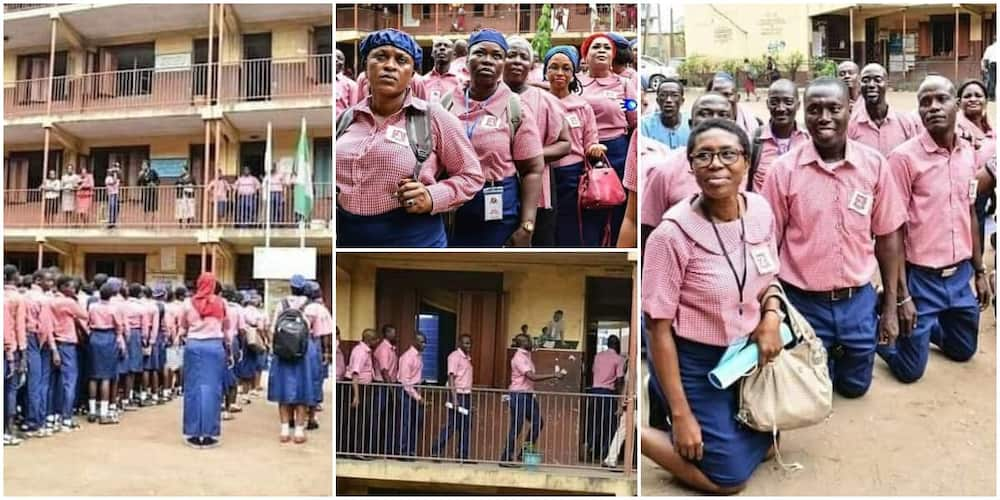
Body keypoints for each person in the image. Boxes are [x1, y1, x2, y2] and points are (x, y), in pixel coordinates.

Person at [642, 118, 786, 493]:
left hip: (743, 357)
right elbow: (657, 329)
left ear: (747, 163)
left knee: (770, 445)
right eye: (703, 156)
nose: (716, 164)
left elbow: (768, 278)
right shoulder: (671, 235)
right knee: (728, 479)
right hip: (693, 362)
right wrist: (682, 413)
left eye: (728, 154)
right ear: (690, 166)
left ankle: (717, 433)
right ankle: (635, 431)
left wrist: (770, 317)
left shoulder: (759, 211)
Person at [762, 77, 906, 398]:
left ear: (850, 110)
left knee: (855, 388)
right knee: (813, 391)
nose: (824, 117)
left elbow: (887, 237)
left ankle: (850, 354)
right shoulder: (783, 171)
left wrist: (893, 306)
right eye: (814, 109)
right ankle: (822, 360)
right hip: (803, 302)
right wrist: (772, 309)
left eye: (833, 108)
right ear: (805, 115)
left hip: (857, 300)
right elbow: (768, 244)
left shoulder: (874, 166)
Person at [878, 75, 992, 383]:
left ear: (956, 104)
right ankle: (874, 325)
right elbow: (893, 231)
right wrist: (901, 297)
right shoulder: (903, 158)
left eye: (941, 99)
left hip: (959, 278)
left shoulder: (967, 153)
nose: (933, 107)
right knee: (909, 371)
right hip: (921, 280)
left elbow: (970, 212)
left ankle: (926, 329)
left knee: (963, 350)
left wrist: (979, 271)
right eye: (925, 102)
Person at [336, 29, 484, 248]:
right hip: (350, 244)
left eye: (401, 60)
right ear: (365, 67)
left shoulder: (432, 117)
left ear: (412, 74)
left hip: (413, 241)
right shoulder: (346, 119)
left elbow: (471, 176)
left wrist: (432, 196)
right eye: (380, 57)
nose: (390, 66)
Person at [446, 29, 545, 248]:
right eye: (480, 53)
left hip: (498, 208)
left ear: (502, 63)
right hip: (450, 209)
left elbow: (532, 169)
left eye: (497, 56)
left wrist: (527, 226)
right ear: (466, 59)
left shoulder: (515, 107)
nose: (488, 61)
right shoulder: (446, 104)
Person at [640, 92, 734, 247]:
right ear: (691, 124)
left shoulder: (744, 170)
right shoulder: (664, 171)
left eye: (723, 115)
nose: (715, 121)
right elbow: (648, 232)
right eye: (705, 114)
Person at [504, 36, 571, 247]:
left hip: (540, 189)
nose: (516, 61)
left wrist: (530, 155)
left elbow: (565, 143)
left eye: (523, 57)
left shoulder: (547, 100)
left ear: (531, 65)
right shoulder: (488, 94)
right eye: (510, 55)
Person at [543, 45, 606, 247]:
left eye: (566, 68)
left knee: (570, 228)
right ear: (546, 71)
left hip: (574, 177)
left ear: (574, 73)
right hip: (543, 174)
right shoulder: (537, 103)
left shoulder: (582, 106)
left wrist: (595, 148)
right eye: (554, 67)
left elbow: (591, 139)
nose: (560, 73)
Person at [578, 32, 637, 244]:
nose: (601, 51)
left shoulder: (624, 85)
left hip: (618, 152)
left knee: (617, 203)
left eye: (606, 48)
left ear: (613, 56)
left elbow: (634, 117)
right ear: (585, 56)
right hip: (583, 153)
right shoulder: (576, 84)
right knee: (589, 203)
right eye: (596, 47)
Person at [180, 272, 232, 449]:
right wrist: (229, 348)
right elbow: (227, 329)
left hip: (193, 346)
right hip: (214, 347)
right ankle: (209, 434)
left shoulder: (188, 303)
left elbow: (183, 327)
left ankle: (193, 433)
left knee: (193, 389)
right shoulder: (221, 303)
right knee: (212, 390)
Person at [499, 333, 565, 466]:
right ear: (522, 344)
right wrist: (554, 375)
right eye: (528, 340)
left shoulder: (527, 355)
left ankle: (524, 451)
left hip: (528, 394)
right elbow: (531, 377)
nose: (531, 342)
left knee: (537, 422)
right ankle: (506, 457)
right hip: (519, 395)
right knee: (516, 427)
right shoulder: (519, 357)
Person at [268, 277, 319, 444]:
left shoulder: (281, 304)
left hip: (282, 353)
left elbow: (273, 329)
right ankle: (298, 431)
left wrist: (274, 348)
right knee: (303, 390)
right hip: (302, 354)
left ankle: (284, 429)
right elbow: (316, 333)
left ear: (290, 288)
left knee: (283, 389)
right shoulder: (311, 307)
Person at [748, 79, 810, 192]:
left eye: (788, 102)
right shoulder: (753, 142)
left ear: (798, 105)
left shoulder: (808, 140)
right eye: (774, 102)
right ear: (767, 104)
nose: (781, 108)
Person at [848, 63, 921, 157]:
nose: (871, 85)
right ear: (859, 85)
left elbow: (914, 157)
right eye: (865, 80)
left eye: (877, 80)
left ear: (887, 83)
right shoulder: (851, 125)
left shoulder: (906, 123)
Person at [49, 275, 89, 432]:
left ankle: (54, 415)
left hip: (53, 343)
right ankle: (66, 417)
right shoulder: (69, 302)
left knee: (55, 382)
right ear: (64, 287)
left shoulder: (50, 301)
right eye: (71, 287)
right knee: (69, 381)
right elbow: (85, 315)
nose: (74, 290)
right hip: (67, 344)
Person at [22, 268, 55, 437]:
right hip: (38, 341)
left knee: (29, 382)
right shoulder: (43, 300)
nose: (51, 283)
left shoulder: (25, 296)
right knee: (40, 381)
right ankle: (36, 421)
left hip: (25, 338)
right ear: (38, 280)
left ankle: (29, 419)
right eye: (48, 280)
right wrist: (50, 347)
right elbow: (45, 327)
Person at [86, 282, 125, 425]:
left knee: (93, 375)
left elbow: (87, 322)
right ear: (112, 295)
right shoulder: (113, 309)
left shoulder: (92, 307)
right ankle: (103, 413)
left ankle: (91, 411)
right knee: (106, 376)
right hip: (109, 338)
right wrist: (121, 343)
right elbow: (119, 327)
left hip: (94, 337)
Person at [431, 334, 474, 461]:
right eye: (466, 343)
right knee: (452, 424)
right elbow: (451, 378)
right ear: (459, 343)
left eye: (469, 343)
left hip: (466, 394)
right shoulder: (454, 357)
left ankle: (463, 455)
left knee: (466, 425)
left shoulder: (467, 358)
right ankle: (436, 449)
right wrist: (454, 398)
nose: (468, 345)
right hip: (457, 394)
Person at [587, 335, 624, 462]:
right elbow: (619, 380)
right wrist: (620, 397)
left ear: (607, 344)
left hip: (594, 392)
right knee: (608, 424)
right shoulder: (619, 359)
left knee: (594, 421)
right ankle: (604, 451)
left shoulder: (598, 356)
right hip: (608, 394)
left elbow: (593, 372)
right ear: (617, 345)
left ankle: (590, 445)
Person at [303, 281, 333, 430]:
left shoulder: (302, 307)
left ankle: (296, 416)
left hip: (301, 345)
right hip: (315, 345)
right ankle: (312, 416)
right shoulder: (322, 310)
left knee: (302, 379)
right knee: (315, 380)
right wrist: (327, 351)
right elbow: (326, 334)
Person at [4, 265, 27, 445]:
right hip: (10, 349)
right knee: (10, 390)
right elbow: (19, 328)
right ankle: (8, 431)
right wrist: (22, 355)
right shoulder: (16, 298)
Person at [348, 328, 379, 458]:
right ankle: (357, 450)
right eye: (375, 339)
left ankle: (360, 450)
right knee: (359, 421)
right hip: (359, 388)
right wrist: (356, 395)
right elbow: (355, 373)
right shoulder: (360, 352)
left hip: (364, 388)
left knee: (364, 420)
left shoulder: (366, 351)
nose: (377, 341)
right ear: (369, 340)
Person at [398, 332, 426, 458]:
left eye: (425, 342)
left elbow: (417, 377)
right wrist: (417, 397)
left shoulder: (419, 356)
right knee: (406, 422)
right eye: (421, 342)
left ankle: (411, 449)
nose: (424, 344)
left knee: (416, 422)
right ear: (414, 341)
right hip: (406, 391)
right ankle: (403, 451)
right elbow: (405, 382)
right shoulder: (407, 357)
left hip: (415, 390)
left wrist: (418, 393)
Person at [373, 323, 399, 455]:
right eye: (393, 332)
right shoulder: (384, 349)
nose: (395, 335)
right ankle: (376, 449)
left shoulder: (391, 349)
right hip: (383, 386)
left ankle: (385, 449)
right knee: (379, 418)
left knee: (387, 419)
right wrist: (392, 389)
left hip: (388, 385)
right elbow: (384, 371)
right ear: (387, 333)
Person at [641, 79, 690, 149]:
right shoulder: (644, 125)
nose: (668, 100)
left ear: (682, 101)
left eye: (674, 95)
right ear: (657, 101)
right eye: (663, 95)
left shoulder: (691, 123)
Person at [706, 72, 759, 138]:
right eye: (716, 94)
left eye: (726, 94)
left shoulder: (752, 124)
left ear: (737, 97)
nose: (721, 99)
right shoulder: (703, 121)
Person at [424, 38, 464, 102]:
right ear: (432, 53)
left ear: (453, 54)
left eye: (446, 46)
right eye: (438, 45)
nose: (442, 48)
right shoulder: (422, 82)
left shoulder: (461, 82)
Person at [335, 49, 359, 118]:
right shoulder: (325, 84)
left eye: (339, 58)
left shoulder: (351, 85)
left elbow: (353, 111)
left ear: (343, 64)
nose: (336, 60)